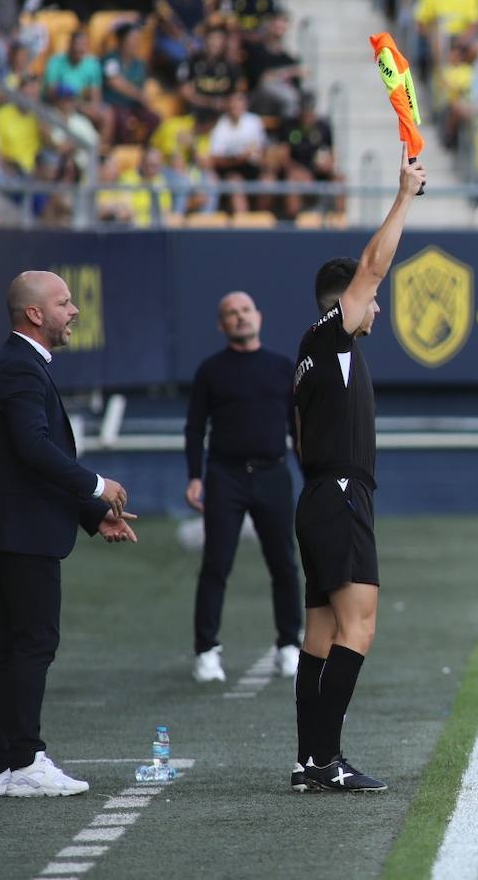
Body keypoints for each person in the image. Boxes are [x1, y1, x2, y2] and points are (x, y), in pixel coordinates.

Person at [289, 146, 426, 793]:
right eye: (370, 299)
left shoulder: (309, 357)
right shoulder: (329, 336)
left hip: (316, 496)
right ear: (346, 301)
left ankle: (309, 756)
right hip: (340, 495)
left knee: (319, 633)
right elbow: (373, 265)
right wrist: (403, 196)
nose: (377, 307)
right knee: (358, 625)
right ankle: (324, 759)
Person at [0, 271, 137, 797]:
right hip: (22, 534)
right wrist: (97, 484)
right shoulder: (19, 366)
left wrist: (92, 514)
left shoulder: (18, 363)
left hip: (10, 529)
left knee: (8, 645)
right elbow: (34, 449)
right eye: (64, 303)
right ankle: (24, 761)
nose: (75, 311)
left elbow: (34, 463)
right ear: (35, 314)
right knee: (32, 644)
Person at [185, 291, 303, 684]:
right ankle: (206, 652)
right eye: (231, 314)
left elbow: (297, 428)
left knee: (284, 563)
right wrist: (195, 476)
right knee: (216, 564)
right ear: (221, 325)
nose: (240, 317)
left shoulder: (283, 368)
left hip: (273, 474)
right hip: (226, 476)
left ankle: (289, 645)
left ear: (259, 316)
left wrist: (313, 476)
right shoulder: (211, 371)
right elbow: (195, 427)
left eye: (246, 310)